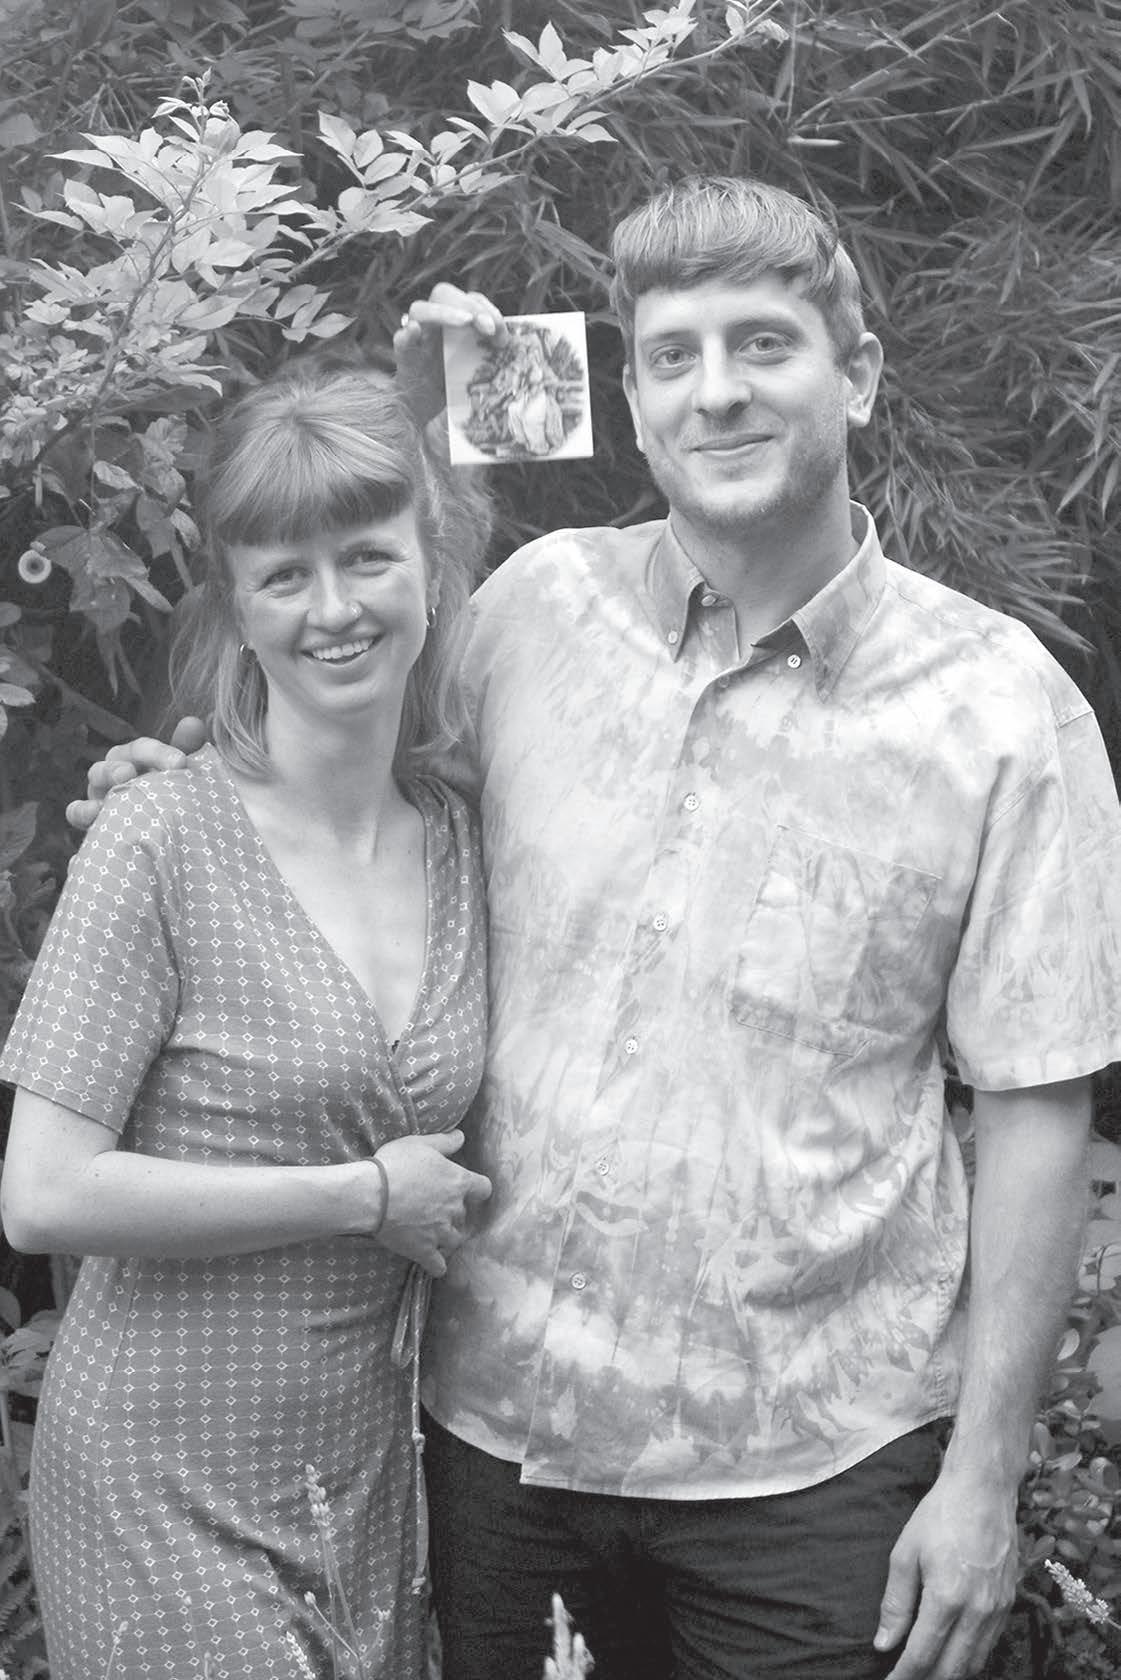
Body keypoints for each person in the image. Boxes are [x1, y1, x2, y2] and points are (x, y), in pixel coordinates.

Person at [72, 177, 1121, 1680]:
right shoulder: (531, 613)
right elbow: (348, 773)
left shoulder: (1002, 708)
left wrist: (984, 1478)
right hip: (500, 1447)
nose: (718, 392)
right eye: (674, 356)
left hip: (811, 1468)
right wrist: (182, 793)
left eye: (763, 345)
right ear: (631, 401)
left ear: (859, 375)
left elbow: (1035, 1107)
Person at [0, 364, 493, 1680]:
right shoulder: (160, 834)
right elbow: (42, 1195)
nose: (334, 609)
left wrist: (446, 382)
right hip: (162, 1485)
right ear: (235, 605)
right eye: (285, 576)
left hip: (365, 1486)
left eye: (367, 558)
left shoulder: (463, 837)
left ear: (432, 565)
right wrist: (359, 1198)